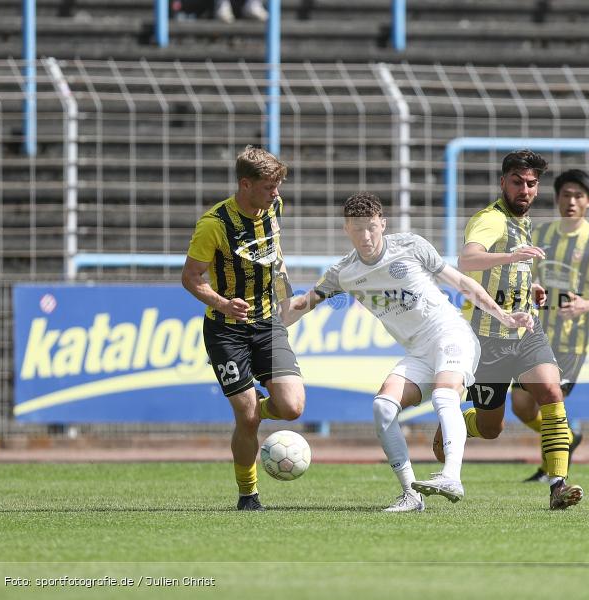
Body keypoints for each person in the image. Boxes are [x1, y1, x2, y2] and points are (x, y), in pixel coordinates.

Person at [283, 193, 533, 512]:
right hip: (418, 352)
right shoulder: (343, 272)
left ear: (383, 224)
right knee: (383, 407)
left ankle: (451, 476)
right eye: (358, 229)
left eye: (372, 227)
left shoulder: (410, 246)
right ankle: (410, 495)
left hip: (451, 334)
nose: (367, 236)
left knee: (445, 396)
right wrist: (263, 324)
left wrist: (505, 317)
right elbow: (304, 304)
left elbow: (461, 283)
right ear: (346, 228)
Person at [435, 149, 585, 510]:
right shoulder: (491, 220)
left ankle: (557, 487)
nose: (525, 190)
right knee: (491, 429)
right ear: (503, 182)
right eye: (517, 182)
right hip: (487, 340)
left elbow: (507, 268)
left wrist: (527, 285)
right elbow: (467, 260)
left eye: (531, 184)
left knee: (551, 390)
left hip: (525, 331)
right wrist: (511, 258)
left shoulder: (522, 221)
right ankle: (456, 423)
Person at [181, 145, 305, 512]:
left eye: (278, 187)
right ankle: (248, 495)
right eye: (269, 187)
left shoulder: (274, 209)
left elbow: (275, 258)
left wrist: (286, 293)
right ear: (245, 185)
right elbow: (190, 277)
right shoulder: (214, 225)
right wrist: (222, 303)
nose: (276, 194)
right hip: (226, 329)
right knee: (246, 417)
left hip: (267, 324)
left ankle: (253, 413)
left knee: (292, 407)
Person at [512, 169, 589, 483]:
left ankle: (556, 476)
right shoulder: (542, 235)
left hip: (570, 342)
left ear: (588, 202)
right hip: (534, 336)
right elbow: (526, 273)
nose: (571, 201)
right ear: (558, 198)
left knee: (550, 401)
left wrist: (587, 305)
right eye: (566, 194)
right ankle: (566, 437)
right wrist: (533, 285)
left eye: (578, 196)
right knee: (521, 406)